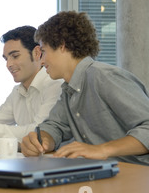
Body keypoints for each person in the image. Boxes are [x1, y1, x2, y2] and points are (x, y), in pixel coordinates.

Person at [21, 11, 149, 166]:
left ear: (62, 45)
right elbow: (56, 126)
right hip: (104, 176)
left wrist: (101, 149)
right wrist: (43, 141)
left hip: (137, 176)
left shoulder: (104, 77)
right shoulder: (69, 90)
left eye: (43, 51)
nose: (41, 61)